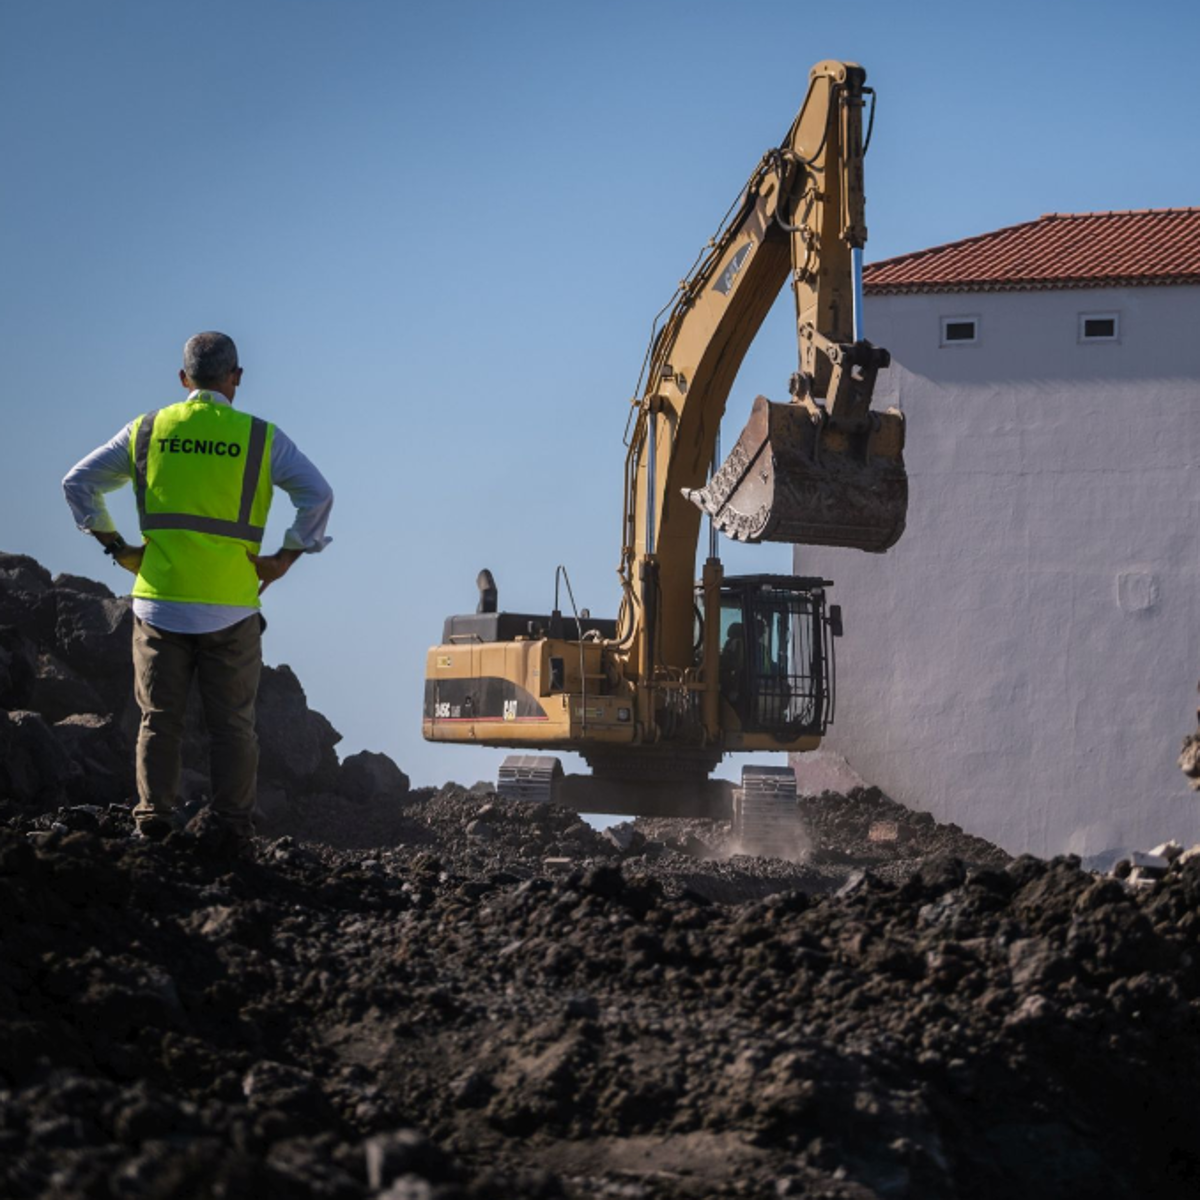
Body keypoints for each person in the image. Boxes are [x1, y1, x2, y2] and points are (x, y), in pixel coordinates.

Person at [62, 332, 333, 845]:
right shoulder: (259, 438)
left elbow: (77, 483)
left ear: (183, 379)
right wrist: (284, 559)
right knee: (233, 726)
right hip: (231, 607)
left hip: (160, 601)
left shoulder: (147, 430)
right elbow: (317, 495)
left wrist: (116, 546)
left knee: (159, 720)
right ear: (236, 378)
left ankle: (153, 822)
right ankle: (232, 826)